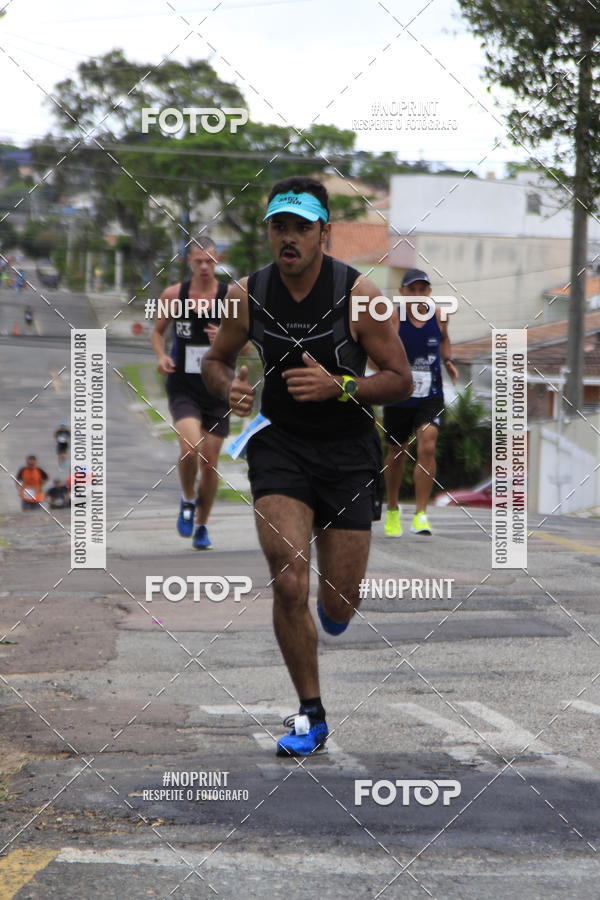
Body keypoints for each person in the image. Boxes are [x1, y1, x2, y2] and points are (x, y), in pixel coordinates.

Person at [202, 176, 412, 756]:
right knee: (289, 579)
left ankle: (332, 602)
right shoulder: (246, 294)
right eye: (279, 226)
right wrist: (228, 388)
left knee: (338, 607)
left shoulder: (360, 294)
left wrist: (341, 385)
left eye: (301, 227)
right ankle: (310, 716)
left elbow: (400, 380)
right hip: (281, 446)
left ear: (324, 233)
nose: (288, 237)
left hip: (348, 456)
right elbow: (215, 360)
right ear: (269, 232)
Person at [152, 237, 230, 550]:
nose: (204, 267)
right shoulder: (174, 295)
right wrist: (161, 356)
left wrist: (223, 337)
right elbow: (157, 332)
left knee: (210, 464)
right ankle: (187, 498)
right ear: (189, 262)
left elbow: (247, 344)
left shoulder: (231, 297)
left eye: (209, 261)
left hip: (218, 388)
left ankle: (202, 525)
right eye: (199, 261)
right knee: (189, 449)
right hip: (184, 386)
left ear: (217, 260)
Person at [382, 269, 458, 537]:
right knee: (397, 451)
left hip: (430, 393)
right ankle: (393, 508)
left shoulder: (439, 316)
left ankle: (421, 514)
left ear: (428, 292)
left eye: (422, 290)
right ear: (402, 293)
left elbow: (444, 340)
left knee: (428, 444)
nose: (417, 295)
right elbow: (381, 349)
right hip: (398, 393)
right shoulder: (393, 317)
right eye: (411, 290)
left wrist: (448, 361)